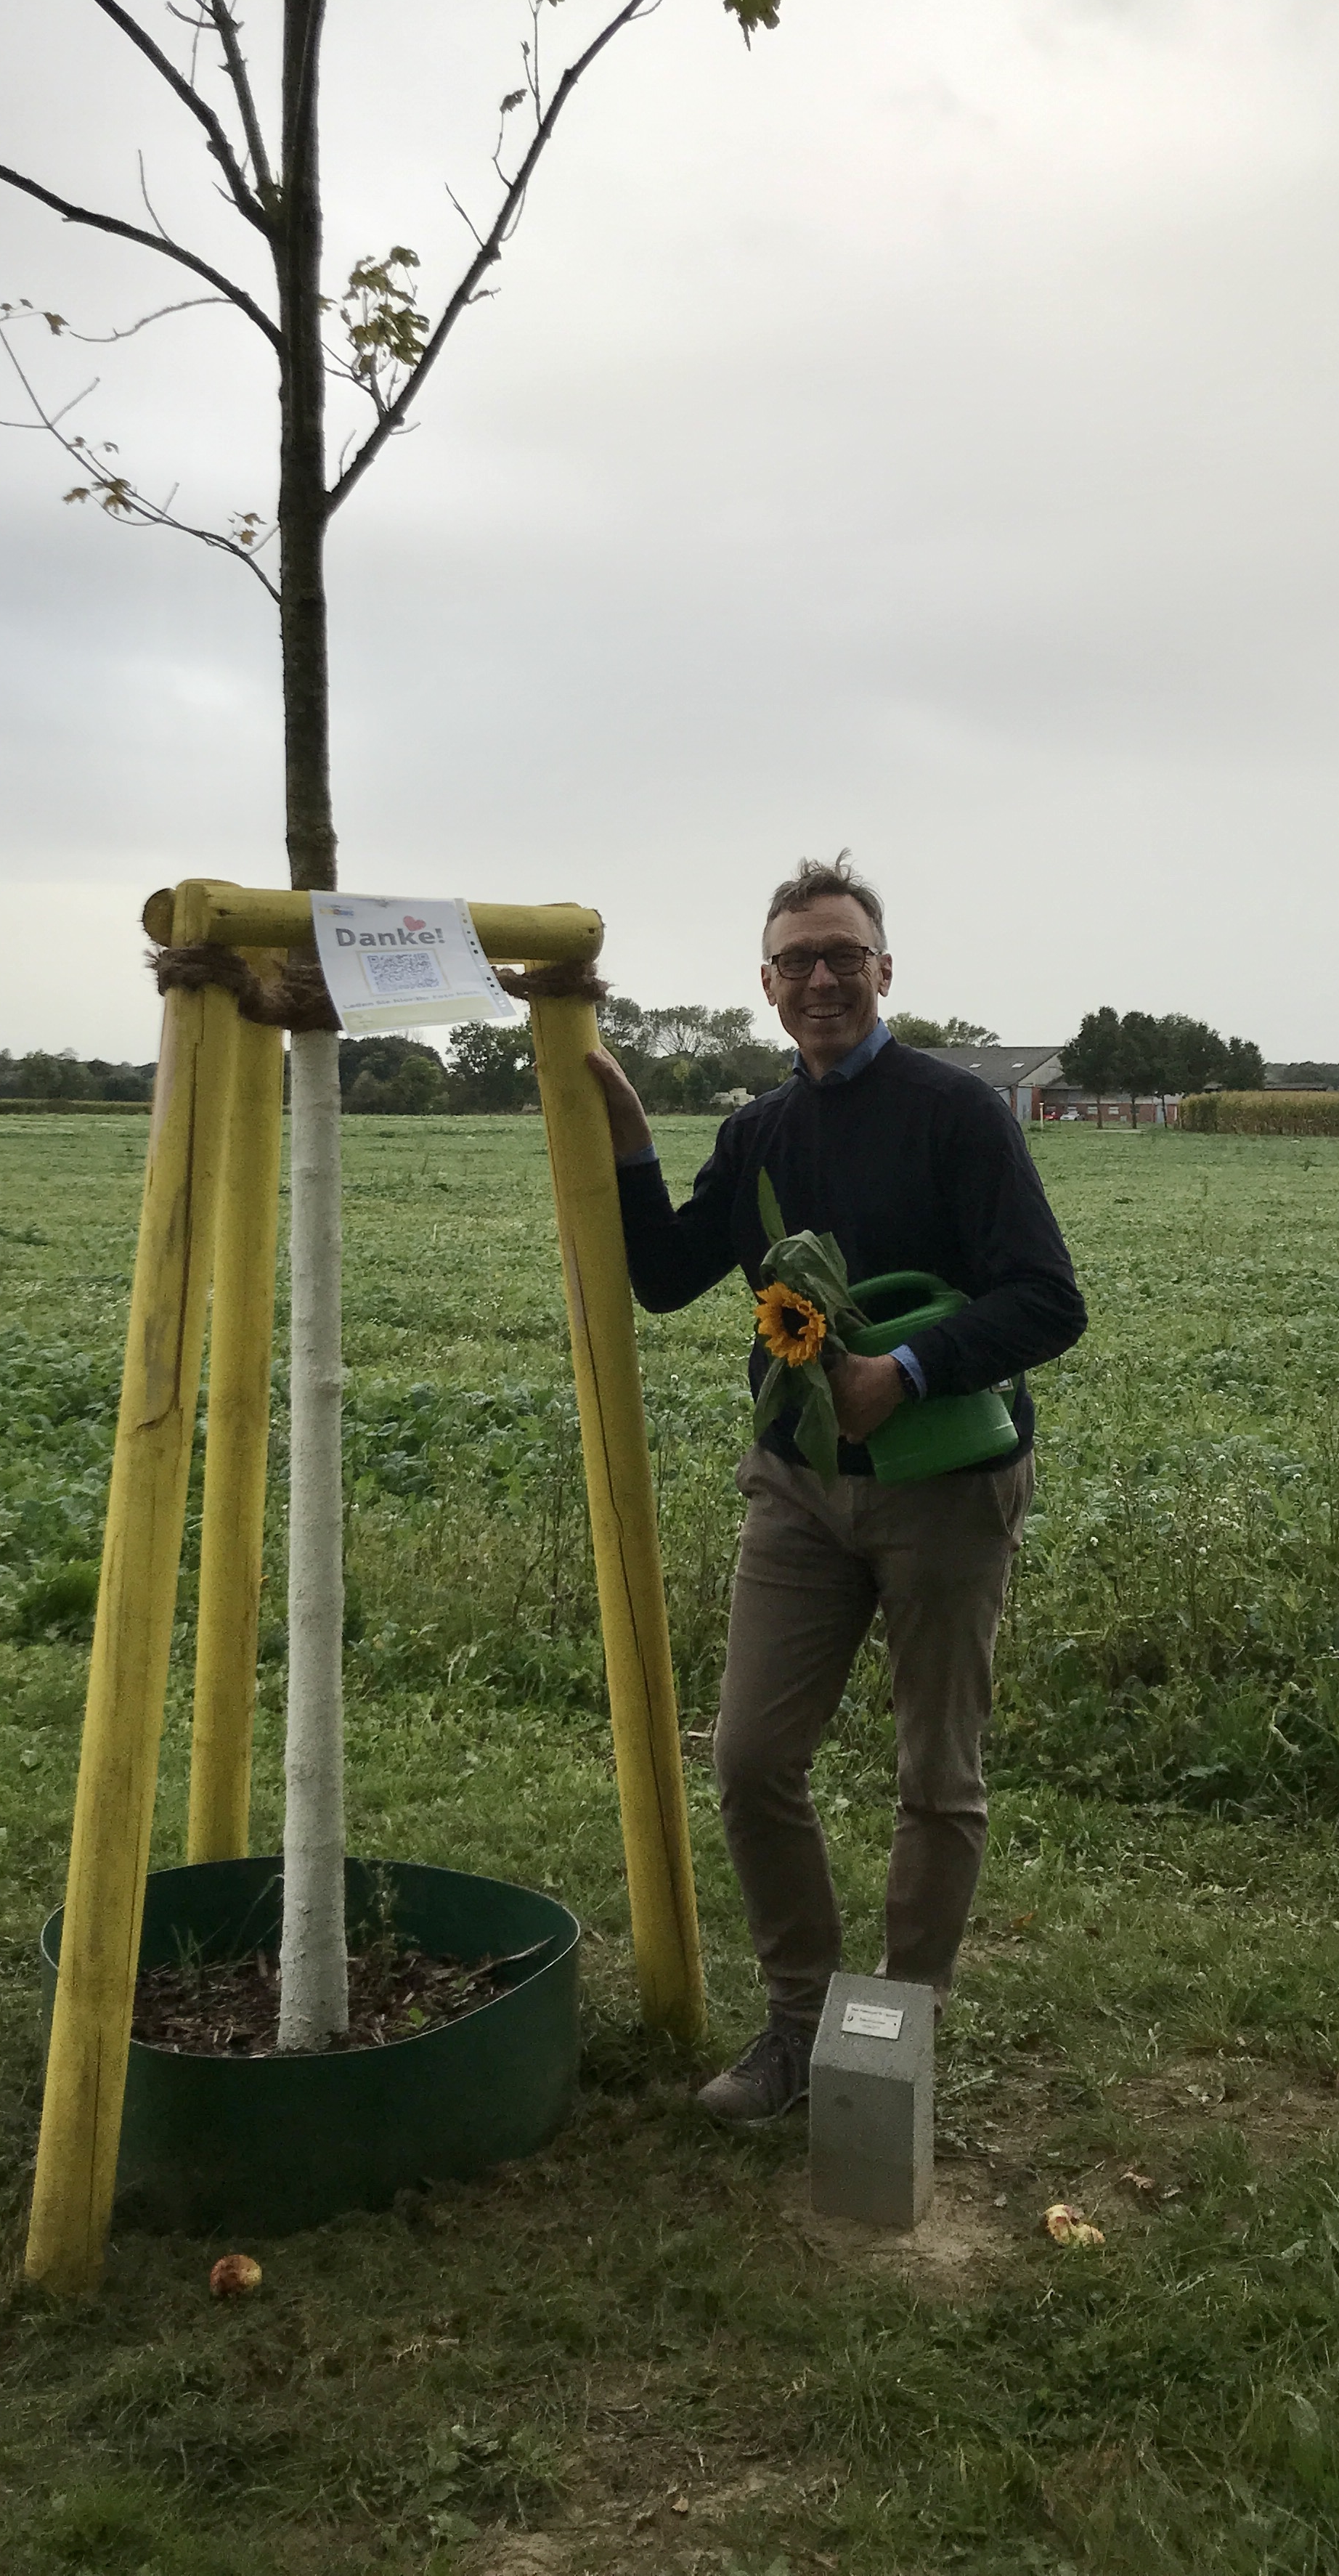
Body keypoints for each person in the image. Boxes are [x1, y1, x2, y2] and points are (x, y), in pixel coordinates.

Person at [586, 855, 1086, 2122]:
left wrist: (903, 1372)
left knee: (936, 1775)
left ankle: (891, 2045)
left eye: (843, 956)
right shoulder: (758, 1130)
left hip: (947, 1491)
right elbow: (666, 1277)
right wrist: (630, 1135)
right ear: (766, 985)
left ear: (884, 971)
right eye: (797, 960)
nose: (822, 978)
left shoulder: (958, 1114)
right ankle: (801, 2029)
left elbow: (1049, 1299)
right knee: (752, 1758)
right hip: (800, 1488)